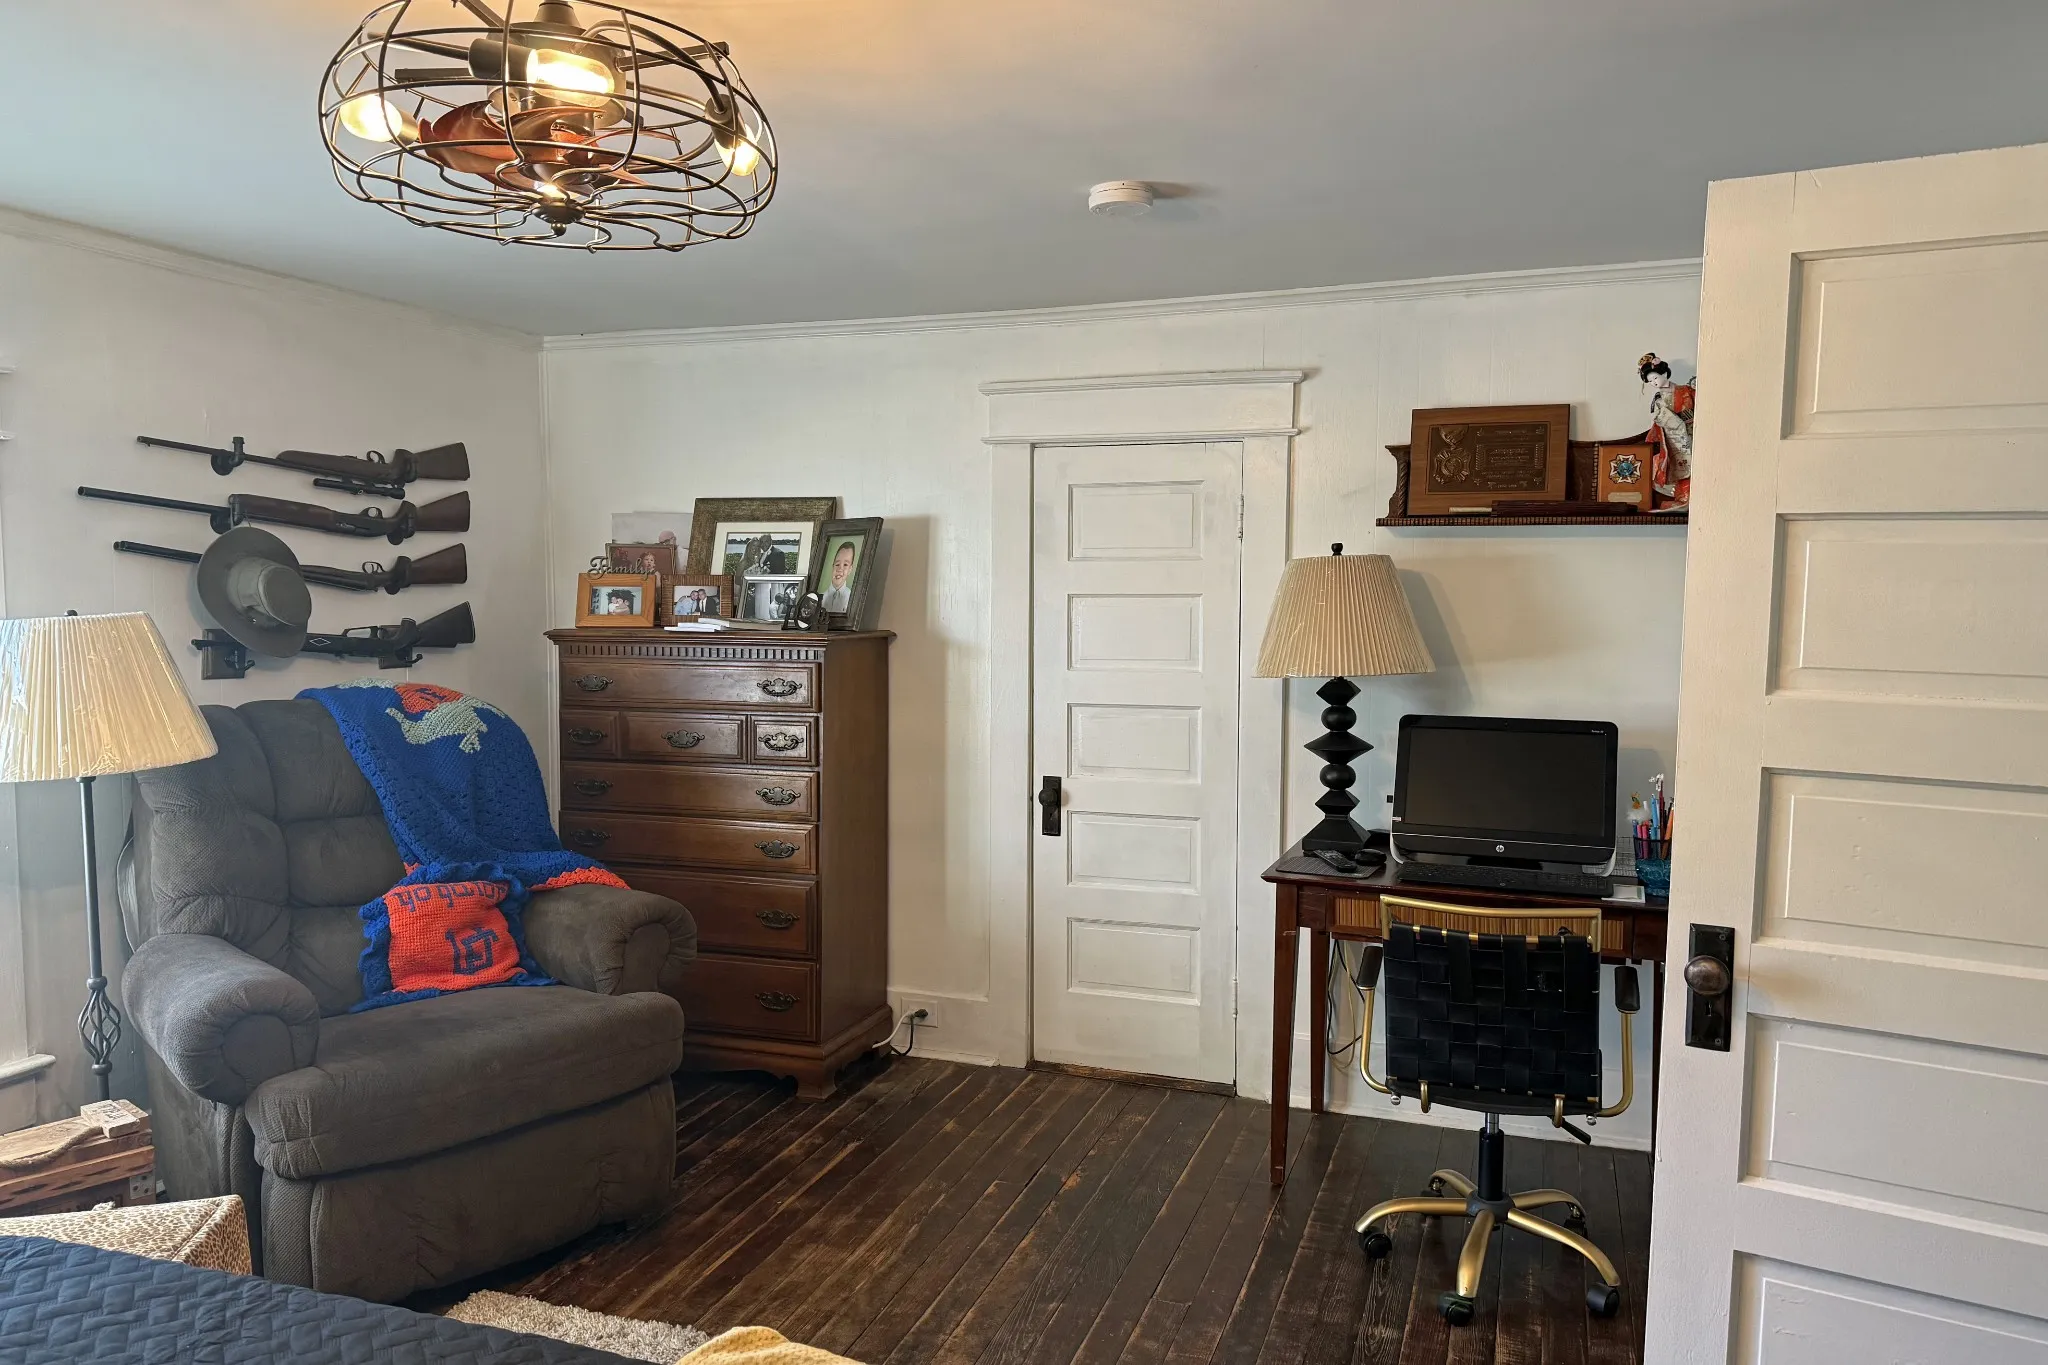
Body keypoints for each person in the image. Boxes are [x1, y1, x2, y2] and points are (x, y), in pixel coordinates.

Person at [1639, 353, 1695, 509]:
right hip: (1672, 437)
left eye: (1655, 378)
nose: (1654, 383)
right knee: (1678, 467)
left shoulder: (1686, 390)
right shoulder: (1658, 399)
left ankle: (1694, 499)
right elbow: (1660, 417)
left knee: (1694, 466)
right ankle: (1682, 499)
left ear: (1664, 373)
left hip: (1692, 432)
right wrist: (1675, 423)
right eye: (1650, 381)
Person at [820, 539, 857, 614]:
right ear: (833, 566)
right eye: (837, 564)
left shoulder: (852, 600)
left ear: (850, 569)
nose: (840, 569)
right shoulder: (820, 598)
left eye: (845, 565)